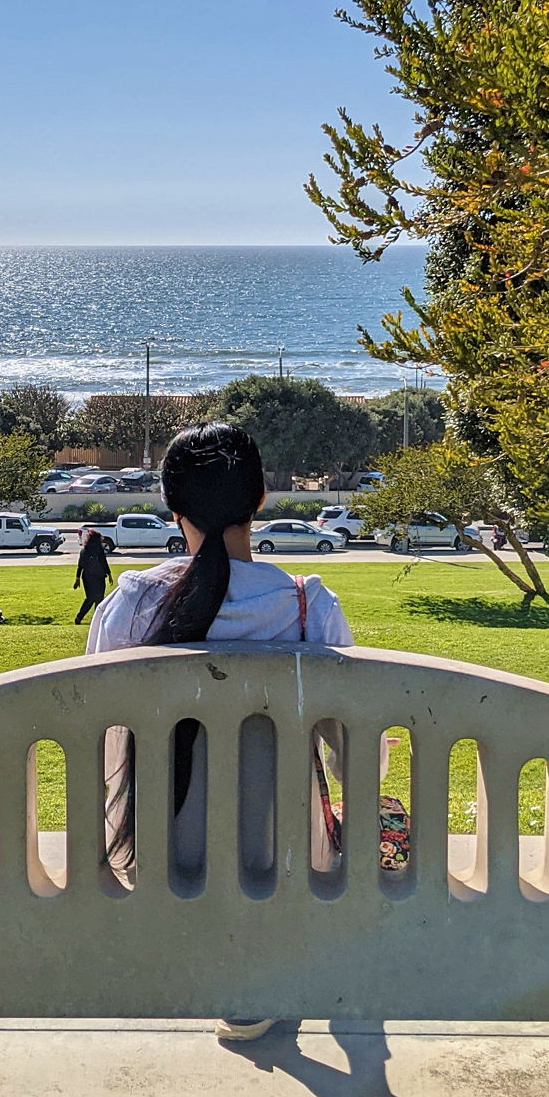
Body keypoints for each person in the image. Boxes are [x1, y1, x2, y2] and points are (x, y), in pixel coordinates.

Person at [86, 422, 355, 1044]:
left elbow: (101, 743)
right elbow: (354, 758)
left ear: (171, 506)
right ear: (260, 500)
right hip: (287, 857)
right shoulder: (307, 607)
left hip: (161, 855)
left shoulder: (129, 606)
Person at [73, 528, 111, 625]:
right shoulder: (99, 550)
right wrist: (109, 574)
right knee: (99, 598)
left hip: (86, 576)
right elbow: (104, 563)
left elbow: (80, 566)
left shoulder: (84, 551)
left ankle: (79, 617)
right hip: (99, 576)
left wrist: (77, 579)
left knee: (90, 598)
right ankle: (96, 620)